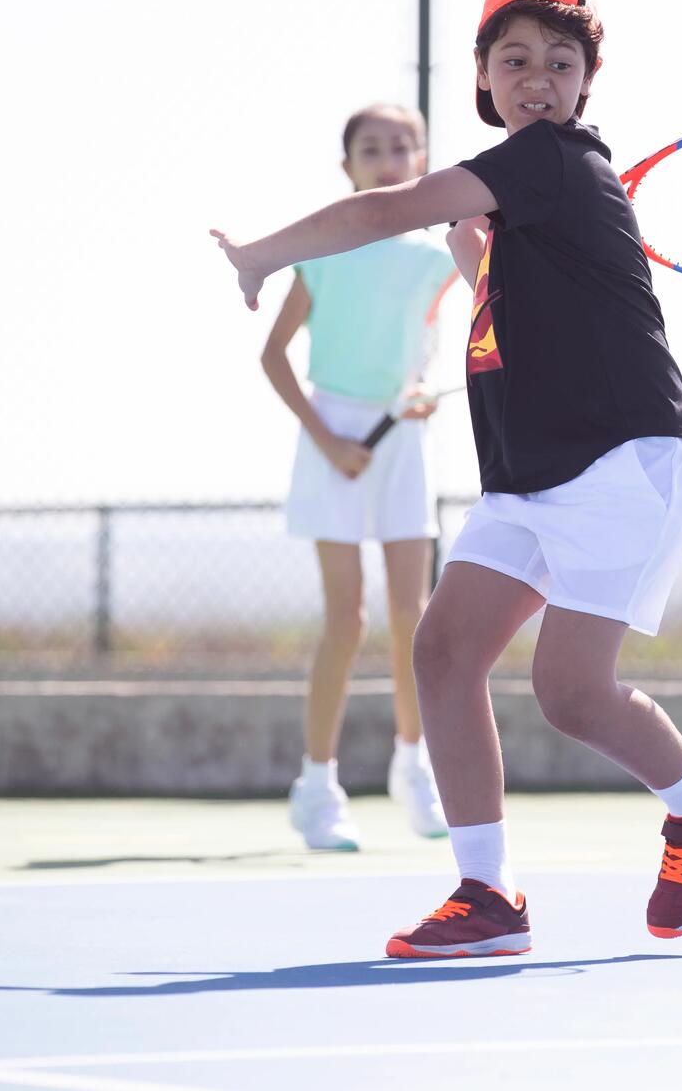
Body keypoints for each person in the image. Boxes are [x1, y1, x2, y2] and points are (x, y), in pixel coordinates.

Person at [214, 0, 682, 957]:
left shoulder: (554, 159)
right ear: (482, 76)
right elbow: (522, 315)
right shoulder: (520, 203)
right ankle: (488, 892)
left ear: (586, 84)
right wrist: (478, 264)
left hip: (622, 462)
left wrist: (261, 254)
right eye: (515, 61)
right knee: (444, 651)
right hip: (532, 476)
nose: (538, 79)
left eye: (561, 62)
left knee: (572, 693)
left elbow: (385, 210)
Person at [258, 103, 454, 850]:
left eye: (403, 147)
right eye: (371, 149)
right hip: (330, 434)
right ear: (348, 168)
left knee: (416, 616)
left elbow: (428, 345)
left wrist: (423, 388)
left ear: (423, 161)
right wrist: (328, 438)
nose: (388, 158)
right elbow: (274, 355)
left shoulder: (438, 259)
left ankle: (415, 766)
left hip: (401, 439)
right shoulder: (324, 250)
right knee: (349, 620)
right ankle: (317, 786)